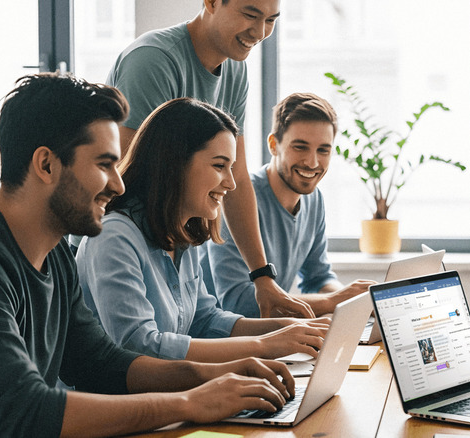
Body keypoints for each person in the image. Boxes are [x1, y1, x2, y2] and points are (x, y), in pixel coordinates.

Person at [0, 73, 297, 437]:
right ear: (46, 165)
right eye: (104, 165)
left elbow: (102, 362)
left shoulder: (54, 256)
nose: (118, 184)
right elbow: (27, 409)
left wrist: (218, 375)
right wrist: (188, 403)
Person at [77, 97, 329, 362]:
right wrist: (263, 346)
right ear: (175, 164)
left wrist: (290, 329)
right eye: (220, 166)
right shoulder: (114, 237)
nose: (231, 184)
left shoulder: (182, 235)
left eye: (231, 168)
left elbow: (205, 320)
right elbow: (140, 345)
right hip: (120, 401)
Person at [105, 0, 314, 318]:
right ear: (212, 2)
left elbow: (238, 177)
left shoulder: (235, 68)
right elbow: (129, 175)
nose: (259, 32)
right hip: (124, 249)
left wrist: (262, 278)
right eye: (250, 14)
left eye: (271, 20)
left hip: (172, 244)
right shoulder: (153, 59)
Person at [201, 92, 373, 317]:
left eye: (323, 150)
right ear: (274, 145)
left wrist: (357, 302)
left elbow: (317, 278)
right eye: (300, 147)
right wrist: (335, 300)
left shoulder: (314, 199)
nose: (312, 162)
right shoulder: (234, 199)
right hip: (222, 339)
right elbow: (238, 303)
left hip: (268, 335)